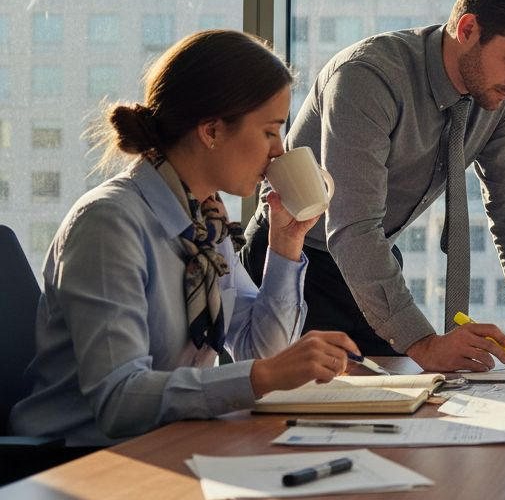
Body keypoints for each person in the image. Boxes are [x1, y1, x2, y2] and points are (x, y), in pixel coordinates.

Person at [242, 0, 505, 373]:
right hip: (295, 259)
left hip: (372, 259)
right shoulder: (367, 78)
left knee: (410, 401)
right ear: (468, 29)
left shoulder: (499, 101)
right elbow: (352, 225)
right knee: (322, 419)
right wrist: (422, 341)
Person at [12, 30, 361, 446]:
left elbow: (258, 352)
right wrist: (262, 376)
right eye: (270, 132)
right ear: (211, 131)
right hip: (79, 463)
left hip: (166, 445)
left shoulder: (205, 225)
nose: (278, 153)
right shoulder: (108, 224)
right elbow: (119, 400)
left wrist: (285, 244)